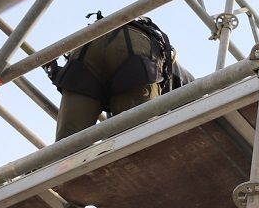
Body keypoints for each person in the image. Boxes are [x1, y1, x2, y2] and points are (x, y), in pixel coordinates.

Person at [47, 17, 184, 140]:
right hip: (136, 48)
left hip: (89, 45)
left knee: (67, 149)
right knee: (139, 141)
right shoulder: (182, 81)